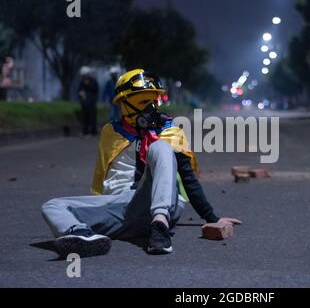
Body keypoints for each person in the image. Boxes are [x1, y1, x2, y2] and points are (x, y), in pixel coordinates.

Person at [41, 69, 241, 257]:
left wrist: (212, 218)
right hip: (121, 207)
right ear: (123, 104)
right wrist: (97, 205)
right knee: (53, 205)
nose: (151, 107)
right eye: (143, 101)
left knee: (161, 147)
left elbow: (188, 178)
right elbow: (103, 173)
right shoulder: (111, 132)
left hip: (161, 203)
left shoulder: (170, 131)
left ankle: (159, 225)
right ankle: (83, 236)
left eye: (154, 100)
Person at [78, 66, 99, 135]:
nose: (84, 76)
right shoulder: (82, 82)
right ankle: (85, 131)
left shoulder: (93, 82)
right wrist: (81, 97)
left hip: (91, 103)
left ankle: (93, 131)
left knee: (92, 117)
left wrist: (93, 100)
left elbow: (96, 92)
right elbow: (79, 91)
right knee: (84, 117)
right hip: (84, 103)